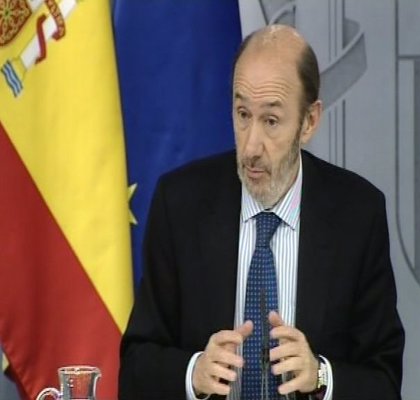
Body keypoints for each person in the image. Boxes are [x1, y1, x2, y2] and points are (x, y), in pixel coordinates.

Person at [119, 25, 404, 400]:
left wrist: (320, 376)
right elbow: (135, 367)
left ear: (309, 122)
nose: (251, 146)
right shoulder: (181, 205)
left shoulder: (357, 215)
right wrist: (193, 373)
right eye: (242, 114)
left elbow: (384, 382)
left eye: (271, 121)